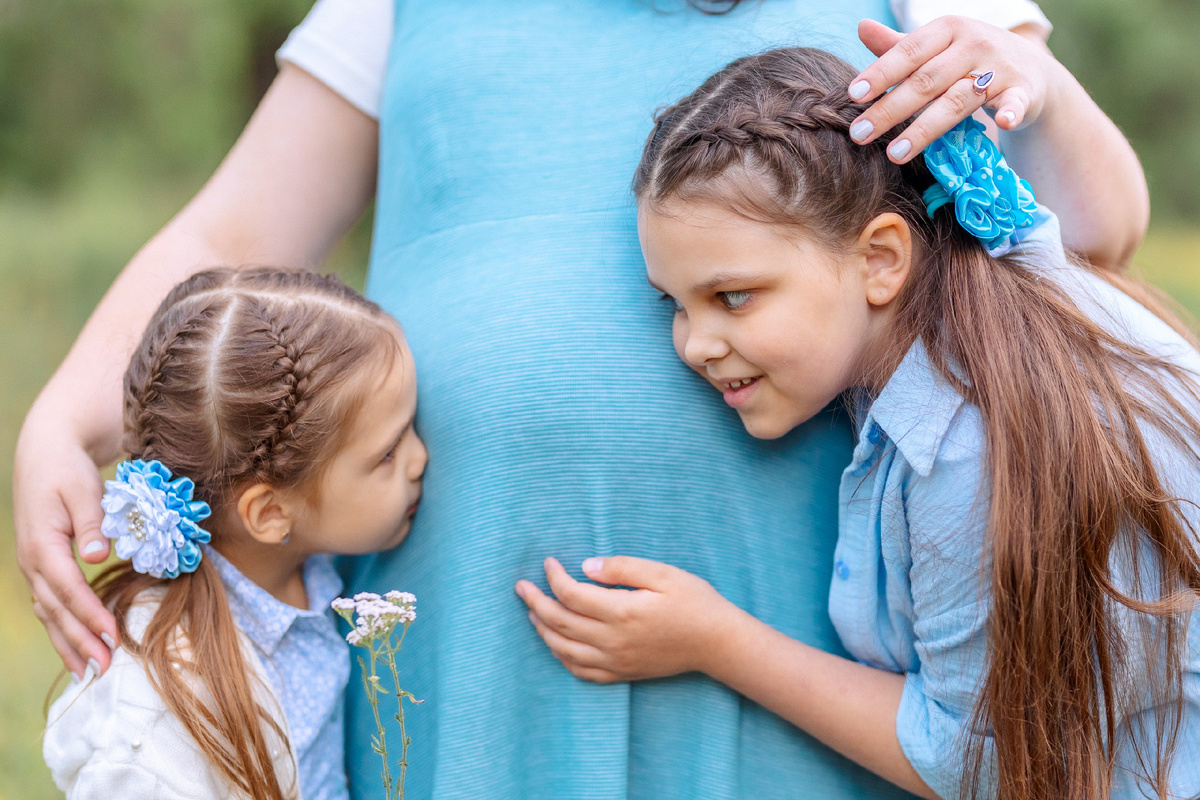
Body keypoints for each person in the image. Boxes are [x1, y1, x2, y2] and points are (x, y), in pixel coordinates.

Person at [16, 1, 1152, 796]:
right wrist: (67, 410)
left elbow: (1090, 229)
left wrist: (1033, 85)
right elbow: (230, 234)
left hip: (815, 684)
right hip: (471, 655)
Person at [517, 47, 1200, 799]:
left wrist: (715, 642)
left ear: (881, 260)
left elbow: (976, 762)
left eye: (734, 296)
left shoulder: (971, 455)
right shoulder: (1010, 276)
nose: (695, 344)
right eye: (673, 304)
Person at [41, 268, 427, 800]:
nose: (420, 459)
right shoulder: (162, 707)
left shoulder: (305, 570)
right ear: (269, 514)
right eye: (387, 453)